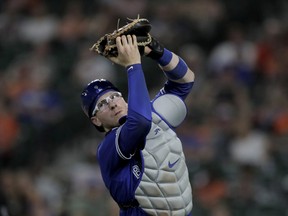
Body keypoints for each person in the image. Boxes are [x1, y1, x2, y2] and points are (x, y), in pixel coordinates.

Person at [81, 34, 195, 216]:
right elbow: (139, 123)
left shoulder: (153, 114)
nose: (112, 103)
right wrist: (133, 64)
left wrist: (155, 51)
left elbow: (185, 80)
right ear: (96, 121)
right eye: (101, 104)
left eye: (114, 96)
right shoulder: (108, 147)